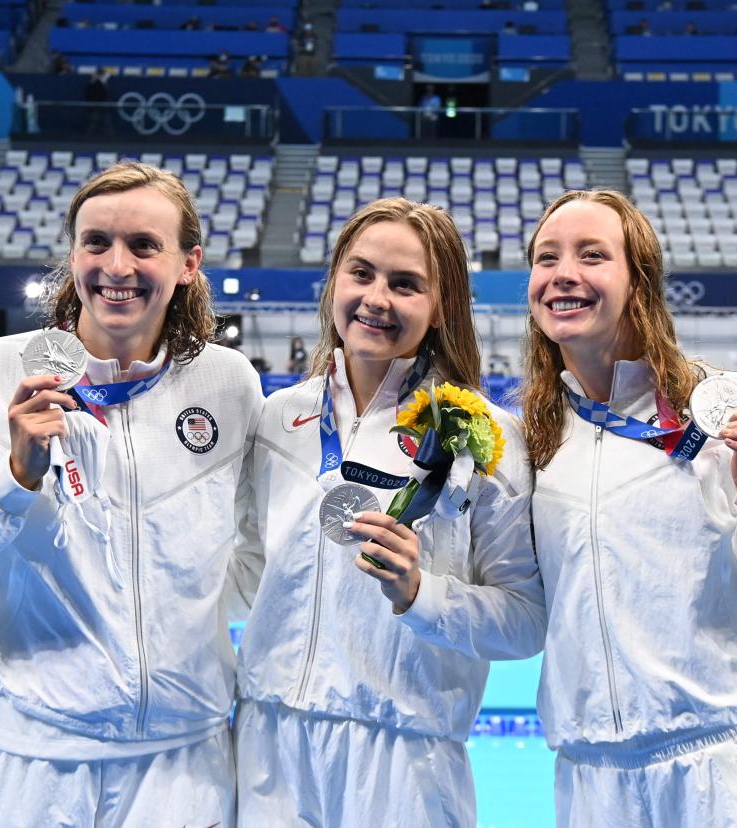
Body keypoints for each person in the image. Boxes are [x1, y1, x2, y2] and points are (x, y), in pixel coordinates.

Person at [0, 162, 264, 826]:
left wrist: (176, 626)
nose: (116, 266)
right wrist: (13, 476)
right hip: (34, 763)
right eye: (96, 243)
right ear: (73, 255)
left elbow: (246, 560)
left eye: (143, 246)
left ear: (188, 263)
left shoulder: (227, 382)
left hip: (184, 764)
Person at [227, 197, 545, 827]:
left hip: (405, 762)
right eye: (362, 273)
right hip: (268, 747)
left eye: (406, 284)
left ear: (441, 306)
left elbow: (525, 620)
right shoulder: (276, 420)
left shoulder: (484, 439)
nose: (377, 298)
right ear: (334, 284)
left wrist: (421, 593)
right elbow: (244, 575)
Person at [521, 190, 737, 826]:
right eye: (547, 258)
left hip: (720, 766)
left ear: (639, 280)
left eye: (592, 255)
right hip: (589, 778)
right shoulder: (536, 438)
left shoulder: (722, 403)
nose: (563, 273)